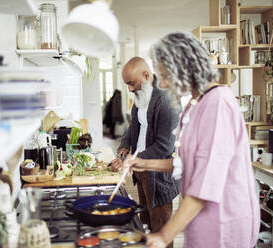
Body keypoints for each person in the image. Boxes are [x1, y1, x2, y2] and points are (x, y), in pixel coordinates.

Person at [124, 33, 260, 248]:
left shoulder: (218, 103)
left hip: (224, 222)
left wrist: (164, 235)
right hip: (201, 218)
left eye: (167, 76)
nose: (165, 84)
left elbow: (206, 181)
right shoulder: (195, 104)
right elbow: (187, 163)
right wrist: (143, 163)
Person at [110, 56, 179, 248]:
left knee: (161, 230)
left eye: (132, 83)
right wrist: (124, 146)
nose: (130, 89)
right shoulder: (141, 95)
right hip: (141, 170)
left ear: (147, 75)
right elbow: (135, 126)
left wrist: (134, 159)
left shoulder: (166, 100)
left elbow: (164, 147)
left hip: (159, 175)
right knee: (145, 222)